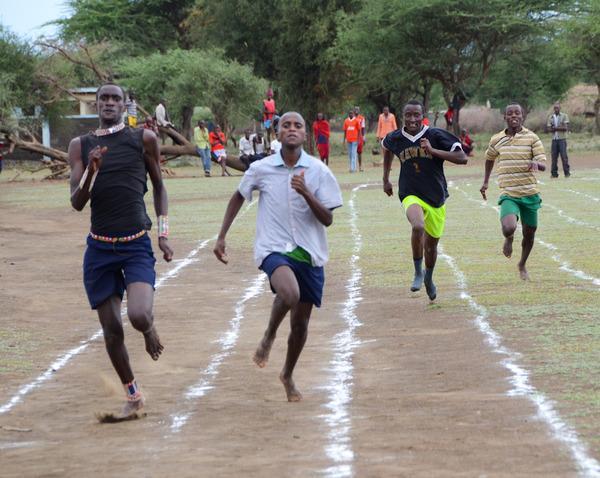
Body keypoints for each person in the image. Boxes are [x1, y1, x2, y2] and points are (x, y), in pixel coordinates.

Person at [214, 111, 343, 402]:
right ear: (278, 133)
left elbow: (327, 219)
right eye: (286, 125)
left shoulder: (319, 171)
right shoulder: (261, 169)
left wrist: (307, 192)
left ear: (305, 134)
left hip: (309, 252)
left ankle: (287, 373)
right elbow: (238, 196)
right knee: (289, 293)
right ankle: (270, 334)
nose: (292, 129)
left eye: (298, 125)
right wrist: (221, 236)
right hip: (274, 247)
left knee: (300, 325)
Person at [67, 82, 173, 421]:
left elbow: (159, 187)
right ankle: (133, 393)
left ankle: (149, 328)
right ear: (96, 104)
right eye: (104, 99)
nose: (109, 103)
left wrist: (164, 234)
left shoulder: (142, 138)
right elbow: (77, 203)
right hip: (100, 250)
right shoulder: (80, 146)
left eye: (116, 98)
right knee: (112, 330)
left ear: (126, 104)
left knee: (139, 315)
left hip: (135, 245)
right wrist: (92, 172)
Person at [382, 100, 468, 300]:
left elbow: (462, 157)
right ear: (403, 116)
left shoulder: (435, 135)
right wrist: (386, 178)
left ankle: (429, 277)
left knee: (431, 246)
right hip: (410, 192)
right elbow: (386, 149)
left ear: (423, 115)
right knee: (417, 226)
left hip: (436, 196)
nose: (412, 119)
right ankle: (417, 271)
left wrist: (433, 151)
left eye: (416, 115)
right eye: (408, 115)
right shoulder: (395, 138)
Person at [480, 103, 547, 281]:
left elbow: (543, 163)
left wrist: (536, 164)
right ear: (505, 117)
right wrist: (486, 181)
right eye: (510, 113)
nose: (514, 116)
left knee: (529, 233)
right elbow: (489, 158)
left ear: (523, 116)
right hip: (509, 193)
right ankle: (509, 238)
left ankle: (522, 264)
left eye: (517, 113)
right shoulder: (496, 139)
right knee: (509, 227)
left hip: (530, 193)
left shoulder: (532, 138)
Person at [546, 102, 570, 178]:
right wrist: (559, 127)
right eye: (555, 108)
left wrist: (554, 128)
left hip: (562, 139)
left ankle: (567, 173)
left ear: (560, 108)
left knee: (564, 157)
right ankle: (554, 174)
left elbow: (565, 128)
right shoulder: (551, 117)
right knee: (554, 158)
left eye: (558, 108)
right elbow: (549, 129)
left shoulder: (564, 116)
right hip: (554, 140)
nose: (556, 109)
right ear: (554, 109)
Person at [354, 106, 366, 172]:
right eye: (355, 109)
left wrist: (364, 137)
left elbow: (363, 128)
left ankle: (360, 166)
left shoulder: (361, 118)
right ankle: (354, 167)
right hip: (353, 137)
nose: (356, 110)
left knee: (359, 152)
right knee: (353, 153)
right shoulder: (351, 118)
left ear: (359, 110)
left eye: (357, 109)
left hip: (360, 137)